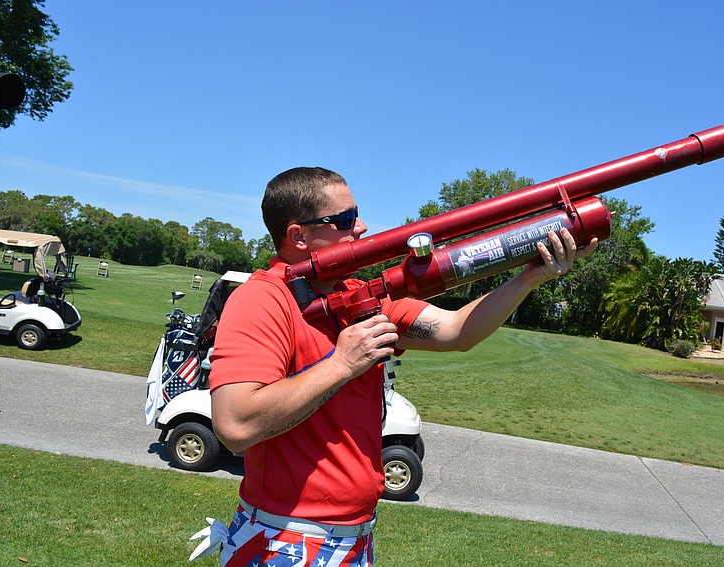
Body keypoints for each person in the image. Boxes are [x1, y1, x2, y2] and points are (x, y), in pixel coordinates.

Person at [198, 166, 597, 566]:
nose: (362, 227)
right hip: (284, 540)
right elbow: (236, 427)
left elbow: (457, 331)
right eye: (345, 220)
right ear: (298, 236)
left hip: (354, 537)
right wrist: (341, 365)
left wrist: (528, 279)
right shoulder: (262, 300)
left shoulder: (357, 297)